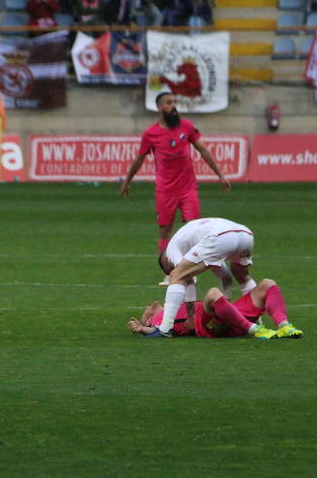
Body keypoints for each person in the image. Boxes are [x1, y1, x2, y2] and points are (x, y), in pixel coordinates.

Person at [120, 91, 232, 286]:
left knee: (194, 229)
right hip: (165, 190)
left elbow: (203, 149)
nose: (173, 106)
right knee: (165, 231)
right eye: (168, 103)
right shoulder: (151, 134)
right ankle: (170, 271)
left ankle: (190, 270)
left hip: (188, 188)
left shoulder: (186, 127)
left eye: (174, 102)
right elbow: (139, 159)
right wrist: (128, 180)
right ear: (159, 107)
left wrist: (220, 174)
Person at [144, 217, 257, 338]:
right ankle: (255, 321)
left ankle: (165, 329)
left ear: (166, 260)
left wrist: (191, 316)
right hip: (245, 235)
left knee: (177, 275)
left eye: (169, 268)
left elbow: (185, 277)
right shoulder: (197, 246)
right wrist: (226, 308)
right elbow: (226, 278)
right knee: (242, 276)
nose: (172, 269)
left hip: (220, 237)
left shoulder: (171, 248)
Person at [128, 278, 304, 339]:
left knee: (267, 284)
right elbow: (162, 332)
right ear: (151, 319)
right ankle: (255, 329)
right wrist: (144, 329)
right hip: (210, 325)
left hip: (230, 317)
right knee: (213, 293)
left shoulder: (174, 305)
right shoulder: (162, 319)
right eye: (146, 311)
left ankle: (284, 325)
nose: (147, 306)